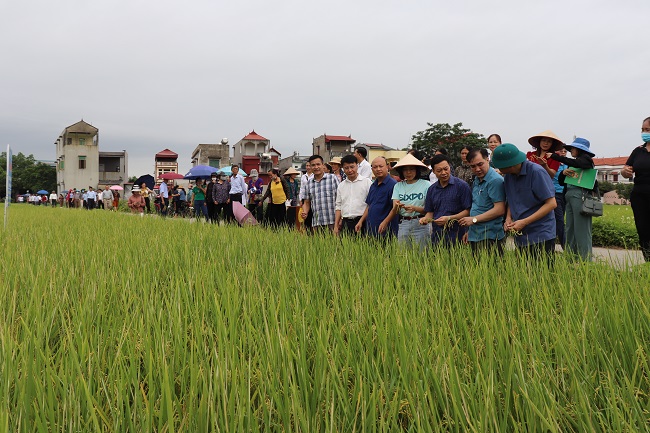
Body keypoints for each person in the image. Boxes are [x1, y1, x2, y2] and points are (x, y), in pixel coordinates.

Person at [491, 143, 557, 260]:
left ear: (510, 165)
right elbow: (512, 199)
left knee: (543, 274)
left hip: (541, 233)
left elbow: (551, 203)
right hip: (521, 234)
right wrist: (508, 218)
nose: (499, 169)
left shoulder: (536, 172)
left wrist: (525, 222)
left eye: (500, 166)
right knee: (525, 273)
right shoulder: (509, 176)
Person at [550, 138, 597, 260]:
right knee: (570, 228)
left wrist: (557, 157)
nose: (571, 151)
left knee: (582, 229)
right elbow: (561, 182)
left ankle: (585, 259)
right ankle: (571, 257)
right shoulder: (574, 163)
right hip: (569, 195)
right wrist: (563, 173)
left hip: (580, 195)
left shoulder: (586, 161)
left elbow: (581, 164)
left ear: (580, 150)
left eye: (573, 149)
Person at [458, 149, 506, 255]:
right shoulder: (477, 180)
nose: (477, 169)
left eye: (480, 164)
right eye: (473, 166)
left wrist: (474, 220)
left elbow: (499, 209)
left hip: (490, 235)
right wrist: (469, 231)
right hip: (475, 234)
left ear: (487, 159)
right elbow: (477, 206)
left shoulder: (495, 180)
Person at [419, 155, 472, 248]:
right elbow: (430, 212)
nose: (443, 173)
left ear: (450, 167)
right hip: (437, 235)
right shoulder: (432, 189)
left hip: (458, 234)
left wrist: (449, 218)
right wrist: (425, 219)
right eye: (439, 171)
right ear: (434, 172)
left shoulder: (461, 186)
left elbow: (468, 210)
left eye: (446, 169)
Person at [383, 154, 431, 249]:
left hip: (421, 223)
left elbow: (430, 209)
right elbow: (395, 210)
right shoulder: (398, 186)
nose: (408, 172)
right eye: (405, 170)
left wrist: (415, 208)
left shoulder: (426, 185)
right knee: (403, 255)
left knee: (422, 255)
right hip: (403, 223)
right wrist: (397, 206)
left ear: (417, 170)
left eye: (412, 169)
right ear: (401, 172)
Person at [622, 116, 650, 262]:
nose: (644, 132)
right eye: (643, 130)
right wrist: (625, 172)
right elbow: (625, 169)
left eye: (647, 130)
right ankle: (648, 262)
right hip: (639, 196)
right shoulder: (638, 151)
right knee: (643, 230)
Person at [357, 156, 399, 238]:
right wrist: (361, 221)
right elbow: (369, 205)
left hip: (386, 230)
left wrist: (385, 222)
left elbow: (395, 209)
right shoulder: (373, 185)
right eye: (375, 167)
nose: (378, 169)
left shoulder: (393, 185)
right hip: (371, 229)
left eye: (381, 166)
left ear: (387, 167)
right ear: (372, 169)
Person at [334, 154, 372, 236]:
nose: (350, 170)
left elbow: (370, 204)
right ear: (343, 169)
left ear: (357, 166)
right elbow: (338, 206)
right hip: (346, 223)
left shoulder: (367, 182)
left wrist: (361, 221)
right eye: (346, 168)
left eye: (352, 167)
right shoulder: (341, 185)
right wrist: (336, 225)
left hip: (363, 222)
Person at [300, 155, 340, 232]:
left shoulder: (332, 178)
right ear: (310, 167)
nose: (316, 167)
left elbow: (340, 199)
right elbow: (307, 202)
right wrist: (305, 212)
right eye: (313, 165)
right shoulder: (309, 184)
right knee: (318, 244)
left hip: (333, 222)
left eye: (318, 164)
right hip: (317, 223)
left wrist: (339, 220)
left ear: (323, 165)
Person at [551, 148, 569, 247]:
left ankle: (552, 245)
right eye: (561, 151)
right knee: (560, 221)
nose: (563, 152)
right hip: (554, 193)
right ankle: (566, 248)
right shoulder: (554, 163)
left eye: (565, 151)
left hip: (564, 194)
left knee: (560, 221)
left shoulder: (567, 164)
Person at [299, 162, 314, 231]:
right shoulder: (303, 176)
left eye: (309, 166)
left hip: (312, 197)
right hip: (305, 197)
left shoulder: (314, 175)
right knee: (305, 214)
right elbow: (301, 188)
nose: (308, 167)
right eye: (307, 166)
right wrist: (300, 198)